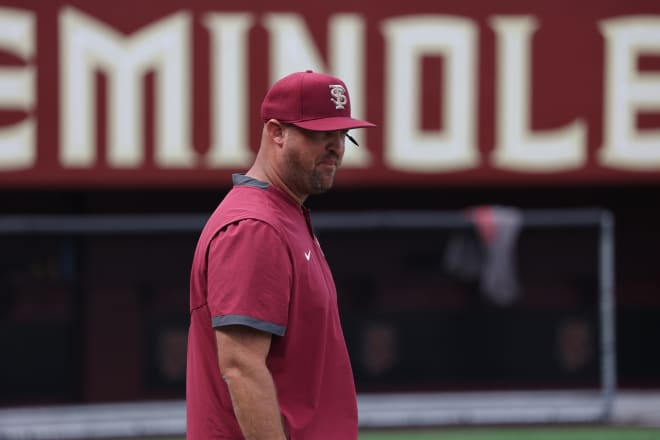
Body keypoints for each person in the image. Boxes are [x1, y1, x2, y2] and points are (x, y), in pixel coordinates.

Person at [186, 70, 376, 439]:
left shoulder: (283, 215)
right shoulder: (255, 227)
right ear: (277, 133)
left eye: (343, 134)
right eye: (321, 133)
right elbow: (241, 366)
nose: (337, 146)